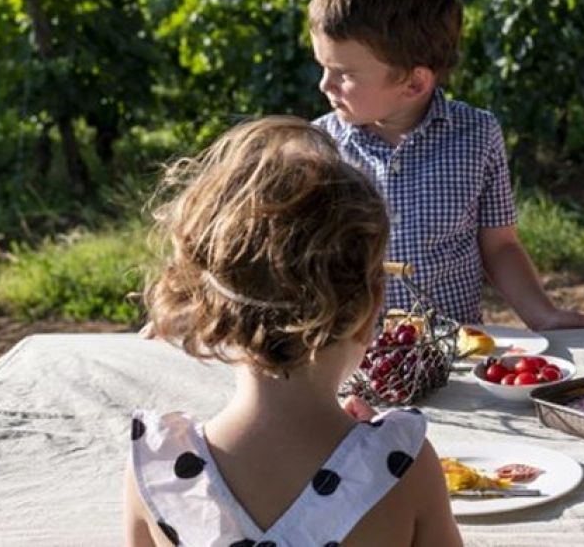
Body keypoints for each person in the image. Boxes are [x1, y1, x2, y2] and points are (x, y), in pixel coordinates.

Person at [123, 117, 461, 546]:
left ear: (207, 302)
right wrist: (370, 455)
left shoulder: (157, 471)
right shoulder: (403, 465)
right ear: (371, 305)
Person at [309, 0, 584, 331]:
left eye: (343, 73)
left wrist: (542, 314)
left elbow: (500, 246)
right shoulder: (319, 147)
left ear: (414, 82)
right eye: (323, 67)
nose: (324, 85)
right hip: (355, 358)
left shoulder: (476, 136)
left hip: (454, 354)